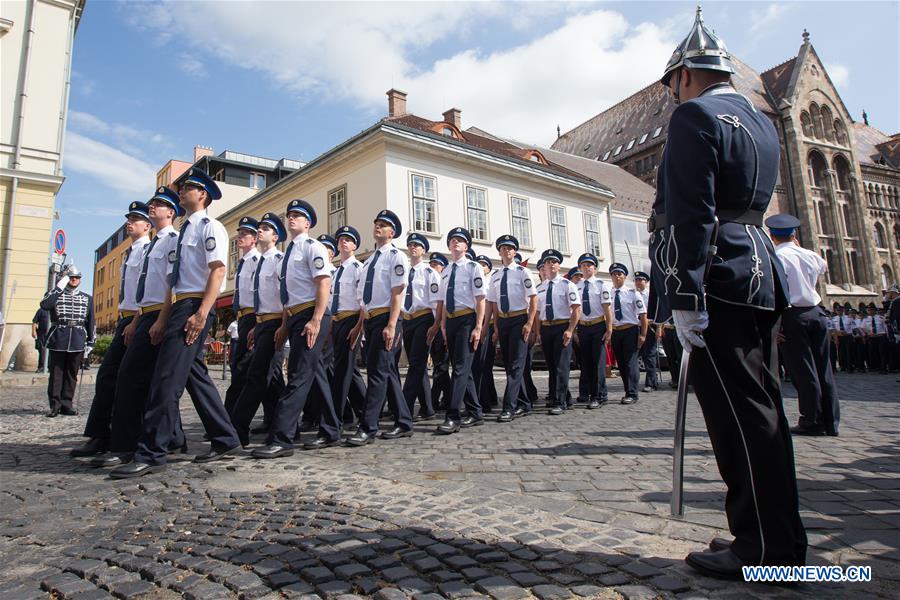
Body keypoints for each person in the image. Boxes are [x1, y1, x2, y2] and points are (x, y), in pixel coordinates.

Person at [648, 7, 806, 576]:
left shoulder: (695, 116)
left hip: (717, 276)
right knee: (759, 410)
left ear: (685, 74)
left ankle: (767, 551)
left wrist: (685, 298)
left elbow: (693, 211)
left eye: (672, 85)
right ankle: (762, 532)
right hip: (756, 270)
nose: (673, 95)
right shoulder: (763, 121)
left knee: (739, 416)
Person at [110, 168, 241, 478]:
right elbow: (173, 282)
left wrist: (202, 313)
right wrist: (164, 319)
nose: (183, 192)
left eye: (190, 188)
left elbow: (218, 272)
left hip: (195, 304)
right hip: (181, 304)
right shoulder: (184, 232)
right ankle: (225, 438)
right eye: (183, 188)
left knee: (166, 380)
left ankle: (152, 452)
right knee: (196, 376)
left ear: (203, 195)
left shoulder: (211, 227)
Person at [94, 186, 188, 468]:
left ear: (170, 212)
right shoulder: (154, 244)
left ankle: (127, 445)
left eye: (158, 204)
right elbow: (143, 290)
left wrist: (160, 320)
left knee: (135, 377)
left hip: (160, 314)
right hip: (144, 314)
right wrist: (136, 319)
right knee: (144, 379)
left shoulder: (172, 240)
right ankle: (165, 439)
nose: (153, 206)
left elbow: (172, 285)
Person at [251, 199, 340, 458]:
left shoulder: (313, 248)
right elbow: (287, 295)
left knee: (299, 374)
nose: (292, 219)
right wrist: (285, 324)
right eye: (289, 215)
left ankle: (282, 438)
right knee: (315, 372)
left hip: (313, 314)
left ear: (308, 223)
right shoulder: (287, 253)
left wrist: (315, 319)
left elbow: (323, 284)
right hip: (295, 316)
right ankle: (331, 429)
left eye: (298, 216)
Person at [72, 202, 152, 457]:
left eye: (136, 219)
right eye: (129, 218)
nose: (130, 222)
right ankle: (101, 435)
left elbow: (149, 291)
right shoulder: (129, 252)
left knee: (129, 379)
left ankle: (124, 439)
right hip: (124, 319)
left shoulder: (149, 250)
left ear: (147, 225)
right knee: (109, 376)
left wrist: (136, 321)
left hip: (137, 319)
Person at [766, 214, 839, 437]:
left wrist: (775, 325)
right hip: (816, 312)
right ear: (794, 234)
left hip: (792, 315)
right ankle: (831, 421)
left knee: (803, 370)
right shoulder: (810, 255)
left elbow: (775, 293)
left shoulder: (775, 257)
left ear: (772, 236)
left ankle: (811, 420)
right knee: (823, 368)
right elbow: (822, 269)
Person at [347, 210, 413, 446]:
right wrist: (360, 325)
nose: (378, 227)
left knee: (376, 373)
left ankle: (368, 427)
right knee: (387, 372)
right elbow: (366, 298)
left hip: (387, 318)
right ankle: (404, 421)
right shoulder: (369, 261)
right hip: (371, 319)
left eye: (384, 225)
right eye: (377, 223)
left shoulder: (396, 256)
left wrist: (392, 325)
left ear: (392, 232)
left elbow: (397, 293)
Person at [229, 213, 289, 447]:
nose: (259, 231)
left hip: (274, 323)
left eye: (265, 228)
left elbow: (286, 297)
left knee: (257, 375)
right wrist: (257, 324)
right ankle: (278, 422)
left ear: (274, 236)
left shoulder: (278, 260)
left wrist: (283, 326)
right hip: (262, 322)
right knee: (269, 378)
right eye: (260, 227)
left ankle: (238, 427)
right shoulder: (260, 261)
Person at [433, 227, 485, 434]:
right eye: (452, 240)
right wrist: (444, 326)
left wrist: (479, 326)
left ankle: (453, 416)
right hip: (452, 321)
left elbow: (480, 299)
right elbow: (445, 302)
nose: (455, 243)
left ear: (466, 246)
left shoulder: (473, 267)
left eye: (460, 240)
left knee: (460, 369)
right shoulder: (446, 271)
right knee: (463, 368)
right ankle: (475, 411)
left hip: (467, 319)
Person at [486, 235, 537, 422]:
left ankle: (509, 406)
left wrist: (530, 323)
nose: (506, 251)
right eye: (503, 248)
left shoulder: (523, 272)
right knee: (509, 365)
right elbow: (493, 303)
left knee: (515, 364)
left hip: (519, 319)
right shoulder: (496, 276)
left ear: (515, 251)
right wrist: (497, 328)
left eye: (510, 248)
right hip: (504, 322)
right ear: (499, 252)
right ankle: (524, 403)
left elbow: (533, 299)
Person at [40, 265, 95, 417]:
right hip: (59, 337)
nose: (74, 280)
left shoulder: (87, 298)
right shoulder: (55, 295)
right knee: (56, 374)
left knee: (72, 374)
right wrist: (59, 287)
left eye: (77, 277)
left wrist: (91, 342)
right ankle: (54, 405)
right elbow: (45, 305)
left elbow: (91, 322)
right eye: (71, 277)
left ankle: (67, 404)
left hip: (78, 338)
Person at [328, 226, 368, 431]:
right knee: (349, 371)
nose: (343, 242)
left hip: (351, 320)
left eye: (348, 240)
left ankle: (335, 416)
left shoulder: (358, 268)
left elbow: (363, 302)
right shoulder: (336, 272)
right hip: (336, 321)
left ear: (355, 245)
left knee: (342, 371)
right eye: (341, 239)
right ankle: (363, 410)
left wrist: (359, 326)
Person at [536, 249, 580, 415]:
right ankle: (563, 397)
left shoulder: (568, 285)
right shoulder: (541, 288)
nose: (551, 265)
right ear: (544, 267)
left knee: (561, 366)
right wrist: (539, 332)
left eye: (554, 262)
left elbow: (576, 309)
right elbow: (538, 314)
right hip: (547, 328)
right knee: (552, 366)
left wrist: (570, 329)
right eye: (548, 262)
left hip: (562, 326)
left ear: (559, 266)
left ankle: (559, 401)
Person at [223, 217, 260, 414]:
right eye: (240, 233)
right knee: (251, 369)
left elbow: (261, 292)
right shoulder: (243, 263)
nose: (240, 236)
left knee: (243, 368)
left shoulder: (256, 261)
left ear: (254, 238)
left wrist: (257, 322)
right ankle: (273, 417)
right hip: (243, 318)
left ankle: (229, 415)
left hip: (254, 316)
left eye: (245, 233)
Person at [402, 233, 441, 421]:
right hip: (407, 319)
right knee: (417, 366)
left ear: (424, 250)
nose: (413, 248)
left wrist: (436, 326)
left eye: (417, 245)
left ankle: (405, 408)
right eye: (410, 245)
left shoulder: (429, 273)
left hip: (423, 318)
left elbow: (435, 302)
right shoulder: (404, 271)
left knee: (416, 364)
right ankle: (427, 408)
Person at [575, 253, 613, 409]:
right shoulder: (576, 286)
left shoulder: (601, 285)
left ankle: (600, 395)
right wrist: (575, 329)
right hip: (583, 326)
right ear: (580, 268)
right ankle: (589, 392)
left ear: (595, 269)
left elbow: (607, 308)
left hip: (598, 325)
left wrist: (609, 328)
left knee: (598, 362)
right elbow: (575, 310)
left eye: (589, 265)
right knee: (586, 362)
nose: (586, 268)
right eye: (583, 265)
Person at [608, 263, 647, 404]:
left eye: (620, 274)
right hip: (616, 331)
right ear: (611, 277)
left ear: (624, 276)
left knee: (630, 363)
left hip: (630, 330)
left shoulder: (633, 293)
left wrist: (642, 334)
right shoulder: (609, 294)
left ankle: (632, 393)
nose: (617, 276)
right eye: (614, 274)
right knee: (622, 364)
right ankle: (627, 390)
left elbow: (643, 315)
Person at [473, 254, 498, 413]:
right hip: (473, 323)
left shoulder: (490, 283)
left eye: (484, 264)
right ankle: (486, 397)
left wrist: (494, 327)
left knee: (485, 364)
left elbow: (492, 305)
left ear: (489, 268)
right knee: (477, 365)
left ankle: (487, 400)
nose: (481, 267)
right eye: (479, 264)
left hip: (485, 325)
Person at [428, 252, 451, 410]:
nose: (433, 267)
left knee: (441, 366)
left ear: (443, 267)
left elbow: (443, 306)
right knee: (439, 366)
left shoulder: (445, 281)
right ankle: (448, 398)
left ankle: (433, 400)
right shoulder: (431, 279)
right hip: (433, 326)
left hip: (444, 326)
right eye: (431, 264)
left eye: (436, 264)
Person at [634, 271, 659, 393]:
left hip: (649, 327)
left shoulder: (650, 295)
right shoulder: (632, 294)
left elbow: (656, 312)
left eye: (641, 280)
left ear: (646, 282)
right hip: (636, 327)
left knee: (649, 355)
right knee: (636, 355)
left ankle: (651, 382)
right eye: (636, 280)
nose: (638, 282)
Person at [31, 307, 50, 372]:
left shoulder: (55, 309)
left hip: (52, 333)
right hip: (42, 334)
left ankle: (50, 367)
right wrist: (33, 331)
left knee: (51, 351)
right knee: (42, 350)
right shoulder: (41, 310)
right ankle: (41, 367)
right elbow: (34, 321)